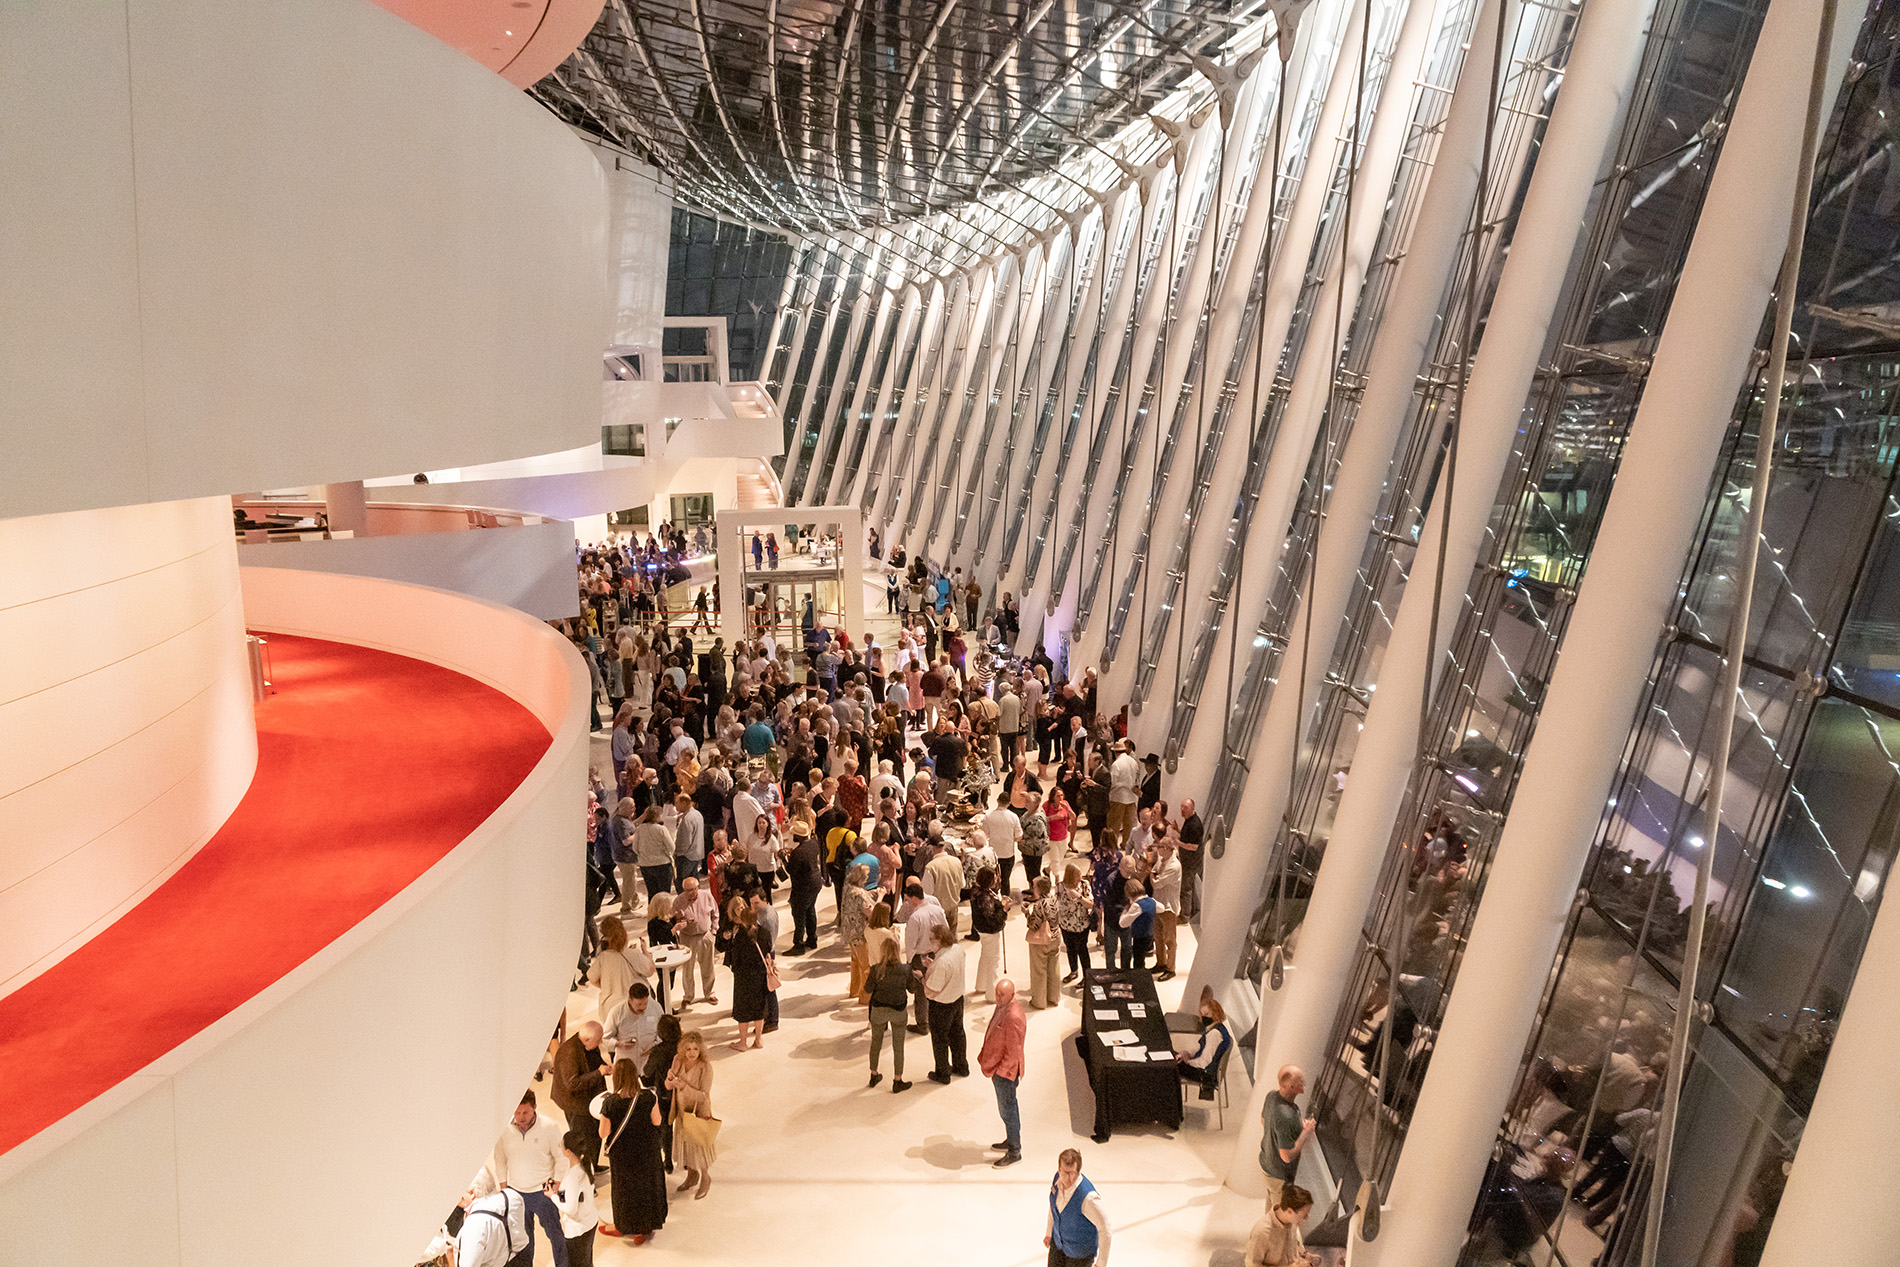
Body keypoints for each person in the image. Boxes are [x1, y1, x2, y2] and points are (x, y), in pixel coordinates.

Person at [482, 1092, 570, 1267]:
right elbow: (500, 1159)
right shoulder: (504, 1129)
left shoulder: (549, 1127)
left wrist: (552, 1187)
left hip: (542, 1190)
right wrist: (504, 1189)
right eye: (517, 1112)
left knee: (555, 1233)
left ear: (534, 1109)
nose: (520, 1117)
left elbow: (561, 1159)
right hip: (516, 1191)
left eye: (525, 1113)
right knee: (523, 1239)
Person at [597, 1061, 666, 1244]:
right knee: (645, 1187)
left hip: (622, 1154)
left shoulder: (610, 1103)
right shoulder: (648, 1097)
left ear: (616, 1077)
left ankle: (624, 1225)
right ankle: (643, 1229)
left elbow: (603, 1133)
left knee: (624, 1190)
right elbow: (657, 1121)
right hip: (646, 1150)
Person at [665, 1030, 717, 1199]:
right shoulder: (677, 1060)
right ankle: (692, 1175)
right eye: (688, 1049)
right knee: (687, 1147)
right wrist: (670, 1079)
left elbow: (703, 1096)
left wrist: (683, 1087)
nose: (692, 1053)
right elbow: (668, 1086)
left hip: (697, 1114)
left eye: (695, 1049)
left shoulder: (705, 1067)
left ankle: (705, 1178)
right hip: (681, 1111)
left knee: (699, 1148)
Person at [551, 1022, 609, 1172]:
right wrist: (599, 1073)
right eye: (598, 1039)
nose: (600, 1042)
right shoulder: (568, 1053)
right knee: (582, 1141)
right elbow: (572, 1084)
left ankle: (593, 1166)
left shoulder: (589, 1045)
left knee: (596, 1135)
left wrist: (606, 1067)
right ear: (587, 1040)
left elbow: (596, 1061)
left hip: (590, 1099)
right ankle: (586, 1178)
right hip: (575, 1105)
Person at [982, 978, 1027, 1167]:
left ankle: (1014, 1151)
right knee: (1007, 1109)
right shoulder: (1004, 1006)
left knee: (1008, 1110)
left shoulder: (1013, 1016)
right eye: (997, 993)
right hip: (999, 1069)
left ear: (1012, 995)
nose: (998, 998)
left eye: (1002, 995)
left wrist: (1000, 1072)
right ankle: (1011, 1140)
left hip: (1005, 1073)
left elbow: (1013, 1051)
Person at [1260, 1065, 1318, 1209]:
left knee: (1271, 1204)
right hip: (1278, 1174)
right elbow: (1286, 1156)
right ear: (1292, 1086)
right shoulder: (1286, 1115)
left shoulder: (1271, 1096)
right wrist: (1305, 1132)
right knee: (1280, 1213)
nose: (1304, 1082)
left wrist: (1293, 1129)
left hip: (1266, 1164)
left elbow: (1263, 1120)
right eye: (1301, 1080)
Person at [861, 937, 915, 1093]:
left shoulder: (876, 969)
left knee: (875, 1042)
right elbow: (912, 989)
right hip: (898, 1011)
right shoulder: (905, 969)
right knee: (898, 1047)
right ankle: (897, 1080)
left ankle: (873, 1074)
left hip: (878, 1011)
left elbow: (868, 990)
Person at [1045, 1148, 1111, 1267]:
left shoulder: (1088, 1198)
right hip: (1058, 1245)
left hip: (1079, 1255)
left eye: (1071, 1173)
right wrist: (1049, 1232)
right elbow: (1053, 1207)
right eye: (1063, 1172)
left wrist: (1101, 1263)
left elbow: (1105, 1228)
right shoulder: (1057, 1179)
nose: (1066, 1178)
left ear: (1078, 1171)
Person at [923, 923, 970, 1083]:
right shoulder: (958, 949)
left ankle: (943, 1074)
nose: (930, 942)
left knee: (940, 1039)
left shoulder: (942, 962)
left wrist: (923, 977)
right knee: (958, 1034)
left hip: (942, 1006)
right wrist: (933, 966)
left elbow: (932, 989)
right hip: (957, 998)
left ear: (940, 940)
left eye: (931, 939)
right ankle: (961, 1066)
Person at [726, 896, 771, 1051]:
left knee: (743, 1010)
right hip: (760, 976)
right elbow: (768, 950)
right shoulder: (764, 932)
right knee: (759, 1009)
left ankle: (743, 1042)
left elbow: (735, 959)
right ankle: (758, 1039)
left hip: (743, 978)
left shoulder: (740, 937)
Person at [552, 1129, 599, 1267]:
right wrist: (561, 1191)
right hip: (590, 1220)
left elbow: (571, 1209)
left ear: (568, 1152)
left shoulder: (573, 1176)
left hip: (578, 1230)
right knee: (587, 1260)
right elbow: (578, 1194)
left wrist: (553, 1196)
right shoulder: (587, 1164)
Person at [453, 1185, 533, 1267]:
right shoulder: (511, 1196)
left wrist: (451, 1254)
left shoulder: (474, 1226)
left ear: (472, 1192)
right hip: (517, 1256)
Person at [671, 875, 719, 1007]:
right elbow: (672, 920)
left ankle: (709, 993)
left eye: (693, 889)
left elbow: (715, 913)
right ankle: (688, 996)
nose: (691, 892)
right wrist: (679, 920)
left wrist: (713, 931)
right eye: (687, 890)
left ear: (698, 887)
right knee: (687, 968)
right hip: (687, 937)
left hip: (705, 935)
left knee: (708, 966)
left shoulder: (706, 896)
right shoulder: (678, 901)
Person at [1245, 1184, 1320, 1267]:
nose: (1306, 1218)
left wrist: (1305, 1255)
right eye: (1304, 1214)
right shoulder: (1262, 1232)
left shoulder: (1292, 1221)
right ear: (1289, 1211)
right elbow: (1252, 1265)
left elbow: (1293, 1246)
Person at [1177, 996, 1232, 1100]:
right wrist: (1188, 1053)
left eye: (1207, 1014)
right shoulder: (1218, 1028)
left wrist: (1188, 1061)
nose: (1204, 1017)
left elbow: (1204, 1062)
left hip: (1206, 1075)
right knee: (1176, 1057)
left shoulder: (1214, 1034)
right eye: (1202, 1014)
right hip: (1206, 1070)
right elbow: (1201, 1050)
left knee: (1173, 1066)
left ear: (1215, 1014)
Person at [970, 866, 1010, 999]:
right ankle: (992, 994)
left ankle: (981, 985)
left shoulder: (977, 890)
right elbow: (992, 918)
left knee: (985, 956)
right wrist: (1004, 909)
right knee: (994, 960)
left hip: (980, 928)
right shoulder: (984, 897)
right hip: (989, 930)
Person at [603, 981, 660, 1069]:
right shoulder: (616, 1012)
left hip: (650, 1064)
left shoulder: (655, 1008)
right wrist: (618, 1043)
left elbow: (663, 1031)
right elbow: (604, 1039)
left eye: (645, 1003)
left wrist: (655, 1047)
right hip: (626, 1064)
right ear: (630, 1000)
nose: (643, 1008)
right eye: (639, 1004)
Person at [1024, 876, 1062, 1009]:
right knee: (1054, 968)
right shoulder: (1055, 899)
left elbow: (1033, 925)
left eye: (1034, 886)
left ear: (1039, 888)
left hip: (1042, 941)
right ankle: (1054, 997)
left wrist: (1026, 914)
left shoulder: (1040, 905)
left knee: (1039, 971)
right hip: (1056, 937)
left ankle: (1039, 1001)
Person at [1148, 839, 1182, 980]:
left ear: (1167, 848)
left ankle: (1170, 968)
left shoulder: (1173, 866)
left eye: (1160, 847)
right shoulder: (1162, 860)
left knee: (1169, 940)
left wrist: (1151, 874)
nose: (1158, 849)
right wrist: (1153, 874)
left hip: (1168, 907)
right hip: (1158, 904)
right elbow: (1155, 872)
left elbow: (1156, 883)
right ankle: (1160, 963)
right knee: (1158, 936)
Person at [982, 791, 1024, 895]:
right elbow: (1018, 837)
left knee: (992, 880)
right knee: (1005, 880)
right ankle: (1005, 903)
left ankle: (993, 900)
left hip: (993, 853)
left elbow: (984, 834)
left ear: (997, 800)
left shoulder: (988, 816)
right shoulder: (1014, 817)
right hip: (1008, 853)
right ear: (1009, 803)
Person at [1106, 740, 1140, 849]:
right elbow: (1137, 778)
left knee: (1114, 824)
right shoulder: (1133, 761)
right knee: (1129, 824)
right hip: (1131, 797)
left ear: (1115, 752)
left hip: (1118, 797)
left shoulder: (1116, 764)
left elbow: (1113, 782)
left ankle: (1112, 846)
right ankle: (1126, 845)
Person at [1116, 879, 1156, 971]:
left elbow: (1123, 923)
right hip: (1150, 935)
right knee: (1141, 960)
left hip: (1140, 937)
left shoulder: (1137, 906)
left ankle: (1139, 981)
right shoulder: (1151, 900)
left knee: (1138, 962)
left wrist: (1125, 910)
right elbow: (1161, 908)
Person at [1176, 799, 1204, 921]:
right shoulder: (1189, 821)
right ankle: (1191, 911)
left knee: (1185, 889)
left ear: (1192, 808)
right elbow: (1187, 838)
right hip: (1187, 861)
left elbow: (1193, 846)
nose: (1182, 810)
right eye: (1182, 807)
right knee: (1188, 887)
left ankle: (1184, 916)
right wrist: (1177, 830)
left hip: (1190, 863)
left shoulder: (1195, 825)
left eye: (1185, 808)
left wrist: (1177, 842)